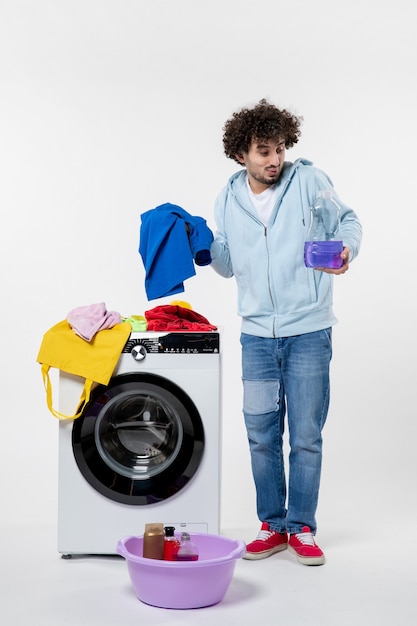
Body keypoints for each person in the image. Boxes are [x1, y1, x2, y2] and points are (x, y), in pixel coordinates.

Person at [210, 99, 362, 565]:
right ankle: (271, 525)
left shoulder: (311, 181)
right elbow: (229, 263)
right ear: (241, 154)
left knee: (306, 435)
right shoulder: (227, 197)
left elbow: (349, 221)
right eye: (263, 151)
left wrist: (346, 252)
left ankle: (302, 527)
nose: (274, 159)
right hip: (256, 335)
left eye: (279, 149)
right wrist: (203, 249)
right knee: (260, 433)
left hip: (309, 331)